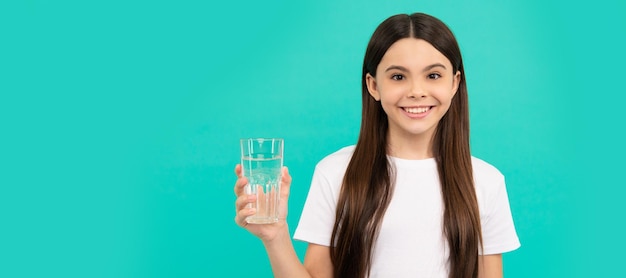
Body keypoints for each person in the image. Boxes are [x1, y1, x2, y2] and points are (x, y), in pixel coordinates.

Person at [234, 12, 520, 278]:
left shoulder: (486, 181)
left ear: (455, 83)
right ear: (373, 85)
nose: (416, 91)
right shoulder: (336, 172)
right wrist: (275, 236)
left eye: (433, 75)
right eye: (398, 76)